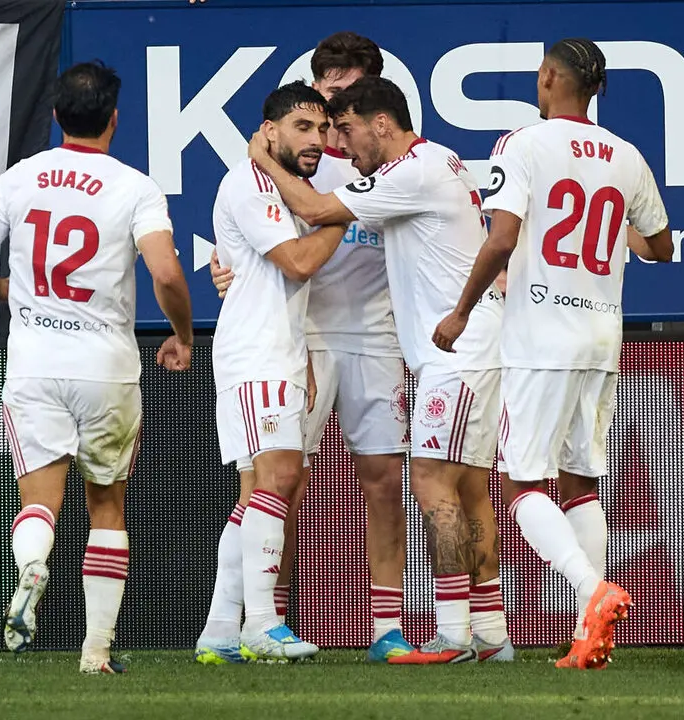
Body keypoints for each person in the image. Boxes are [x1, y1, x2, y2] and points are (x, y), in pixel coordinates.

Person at [247, 76, 509, 664]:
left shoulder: (410, 170)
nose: (343, 145)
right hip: (471, 349)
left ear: (380, 123)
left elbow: (314, 207)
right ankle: (490, 633)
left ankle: (453, 632)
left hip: (456, 355)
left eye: (347, 130)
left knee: (430, 483)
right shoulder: (440, 161)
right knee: (467, 487)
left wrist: (263, 157)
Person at [433, 38, 674, 670]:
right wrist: (614, 227)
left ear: (548, 77)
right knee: (580, 484)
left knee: (519, 483)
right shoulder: (626, 155)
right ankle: (591, 635)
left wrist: (460, 311)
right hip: (603, 336)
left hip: (543, 336)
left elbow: (502, 238)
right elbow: (660, 248)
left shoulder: (522, 144)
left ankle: (594, 592)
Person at [0, 61, 194, 675]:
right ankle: (95, 653)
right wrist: (182, 334)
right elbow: (166, 273)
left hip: (35, 364)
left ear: (57, 116)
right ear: (115, 119)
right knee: (106, 505)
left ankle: (32, 565)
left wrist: (17, 294)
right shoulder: (134, 185)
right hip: (107, 366)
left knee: (40, 501)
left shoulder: (20, 177)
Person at [206, 31, 418, 663]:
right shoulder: (293, 161)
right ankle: (261, 617)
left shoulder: (398, 160)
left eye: (345, 96)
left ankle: (385, 626)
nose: (331, 117)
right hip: (303, 335)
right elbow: (276, 252)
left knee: (383, 480)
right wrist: (226, 265)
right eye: (323, 96)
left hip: (375, 331)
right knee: (276, 483)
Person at [201, 81, 350, 662]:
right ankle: (261, 624)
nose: (315, 140)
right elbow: (297, 262)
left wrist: (303, 355)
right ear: (268, 132)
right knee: (280, 480)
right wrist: (346, 212)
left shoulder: (286, 189)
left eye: (321, 130)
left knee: (263, 491)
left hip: (277, 351)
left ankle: (218, 631)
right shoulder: (250, 181)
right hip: (255, 353)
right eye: (302, 128)